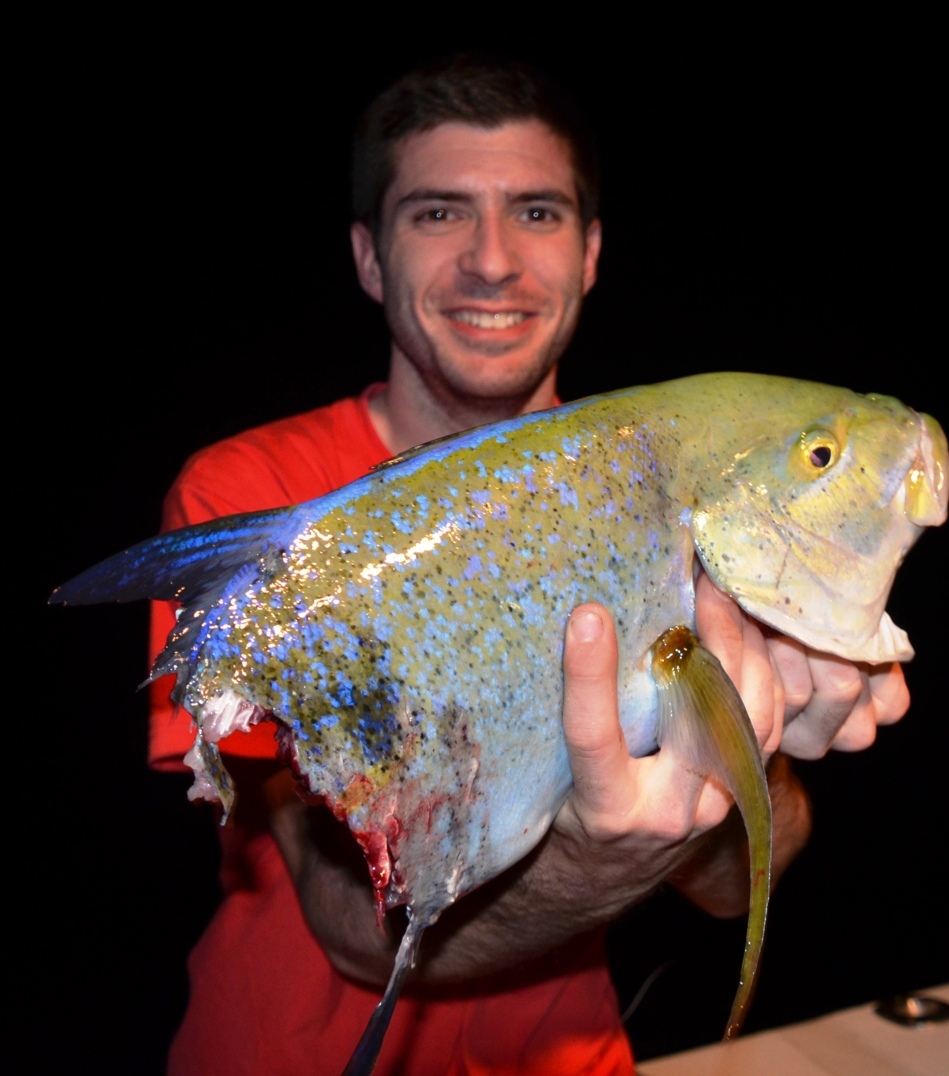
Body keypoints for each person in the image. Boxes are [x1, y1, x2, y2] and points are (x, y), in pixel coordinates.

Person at [149, 57, 910, 1075]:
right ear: (369, 258)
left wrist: (754, 760)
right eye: (437, 214)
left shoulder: (685, 501)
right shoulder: (261, 503)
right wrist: (599, 864)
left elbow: (731, 884)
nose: (493, 260)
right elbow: (347, 916)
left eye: (538, 213)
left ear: (592, 252)